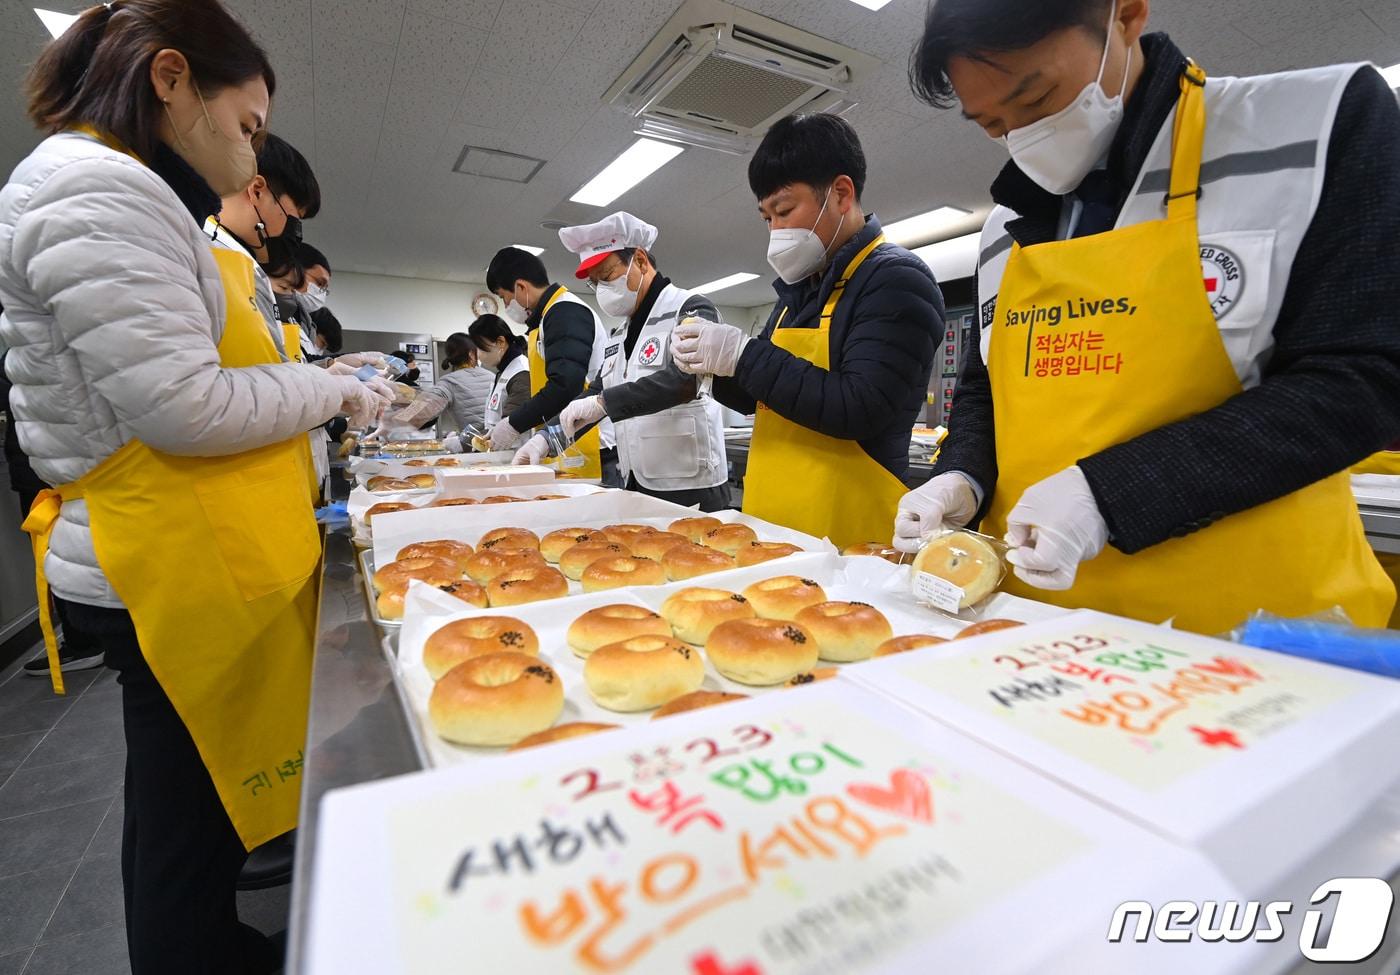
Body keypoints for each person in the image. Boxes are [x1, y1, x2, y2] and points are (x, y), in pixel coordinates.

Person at [0, 2, 391, 970]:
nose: (250, 151)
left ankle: (202, 939)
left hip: (179, 540)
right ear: (171, 79)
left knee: (189, 800)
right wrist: (330, 389)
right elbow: (185, 406)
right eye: (247, 123)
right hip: (162, 550)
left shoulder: (118, 194)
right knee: (182, 811)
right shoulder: (100, 189)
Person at [897, 0, 1400, 633]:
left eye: (1035, 99)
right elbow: (988, 387)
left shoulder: (1312, 128)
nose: (1022, 137)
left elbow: (1366, 377)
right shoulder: (1005, 228)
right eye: (993, 123)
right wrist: (963, 474)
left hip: (1249, 631)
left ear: (1125, 16)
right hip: (1037, 624)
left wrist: (1110, 492)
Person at [593, 114, 942, 545]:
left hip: (853, 532)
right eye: (766, 218)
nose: (776, 230)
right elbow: (763, 399)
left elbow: (860, 407)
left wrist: (742, 355)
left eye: (784, 210)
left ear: (841, 194)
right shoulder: (798, 293)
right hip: (780, 522)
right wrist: (712, 368)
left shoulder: (895, 279)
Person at [542, 212, 730, 511]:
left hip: (689, 483)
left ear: (640, 260)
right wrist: (547, 437)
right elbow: (598, 391)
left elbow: (686, 380)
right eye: (595, 284)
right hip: (636, 481)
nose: (602, 289)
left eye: (605, 277)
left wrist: (605, 403)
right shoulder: (620, 334)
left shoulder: (690, 308)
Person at [2, 348, 103, 675]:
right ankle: (92, 634)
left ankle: (83, 641)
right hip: (65, 463)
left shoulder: (21, 349)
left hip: (42, 469)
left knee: (58, 552)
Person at [485, 246, 618, 482]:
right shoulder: (548, 316)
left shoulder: (564, 312)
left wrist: (514, 423)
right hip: (568, 438)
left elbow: (565, 385)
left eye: (504, 297)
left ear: (521, 287)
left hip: (594, 444)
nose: (506, 305)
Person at [207, 132, 319, 350]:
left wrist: (327, 369)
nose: (296, 233)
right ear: (257, 191)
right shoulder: (204, 255)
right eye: (295, 218)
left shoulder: (244, 265)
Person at [372, 333, 493, 442]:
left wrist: (388, 422)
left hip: (476, 445)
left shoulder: (448, 382)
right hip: (501, 441)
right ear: (472, 354)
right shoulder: (492, 376)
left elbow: (419, 412)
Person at [468, 314, 531, 445]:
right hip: (502, 453)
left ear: (500, 342)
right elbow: (492, 422)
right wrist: (465, 438)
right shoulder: (504, 371)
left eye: (480, 348)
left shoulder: (521, 372)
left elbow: (512, 422)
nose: (478, 355)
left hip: (516, 456)